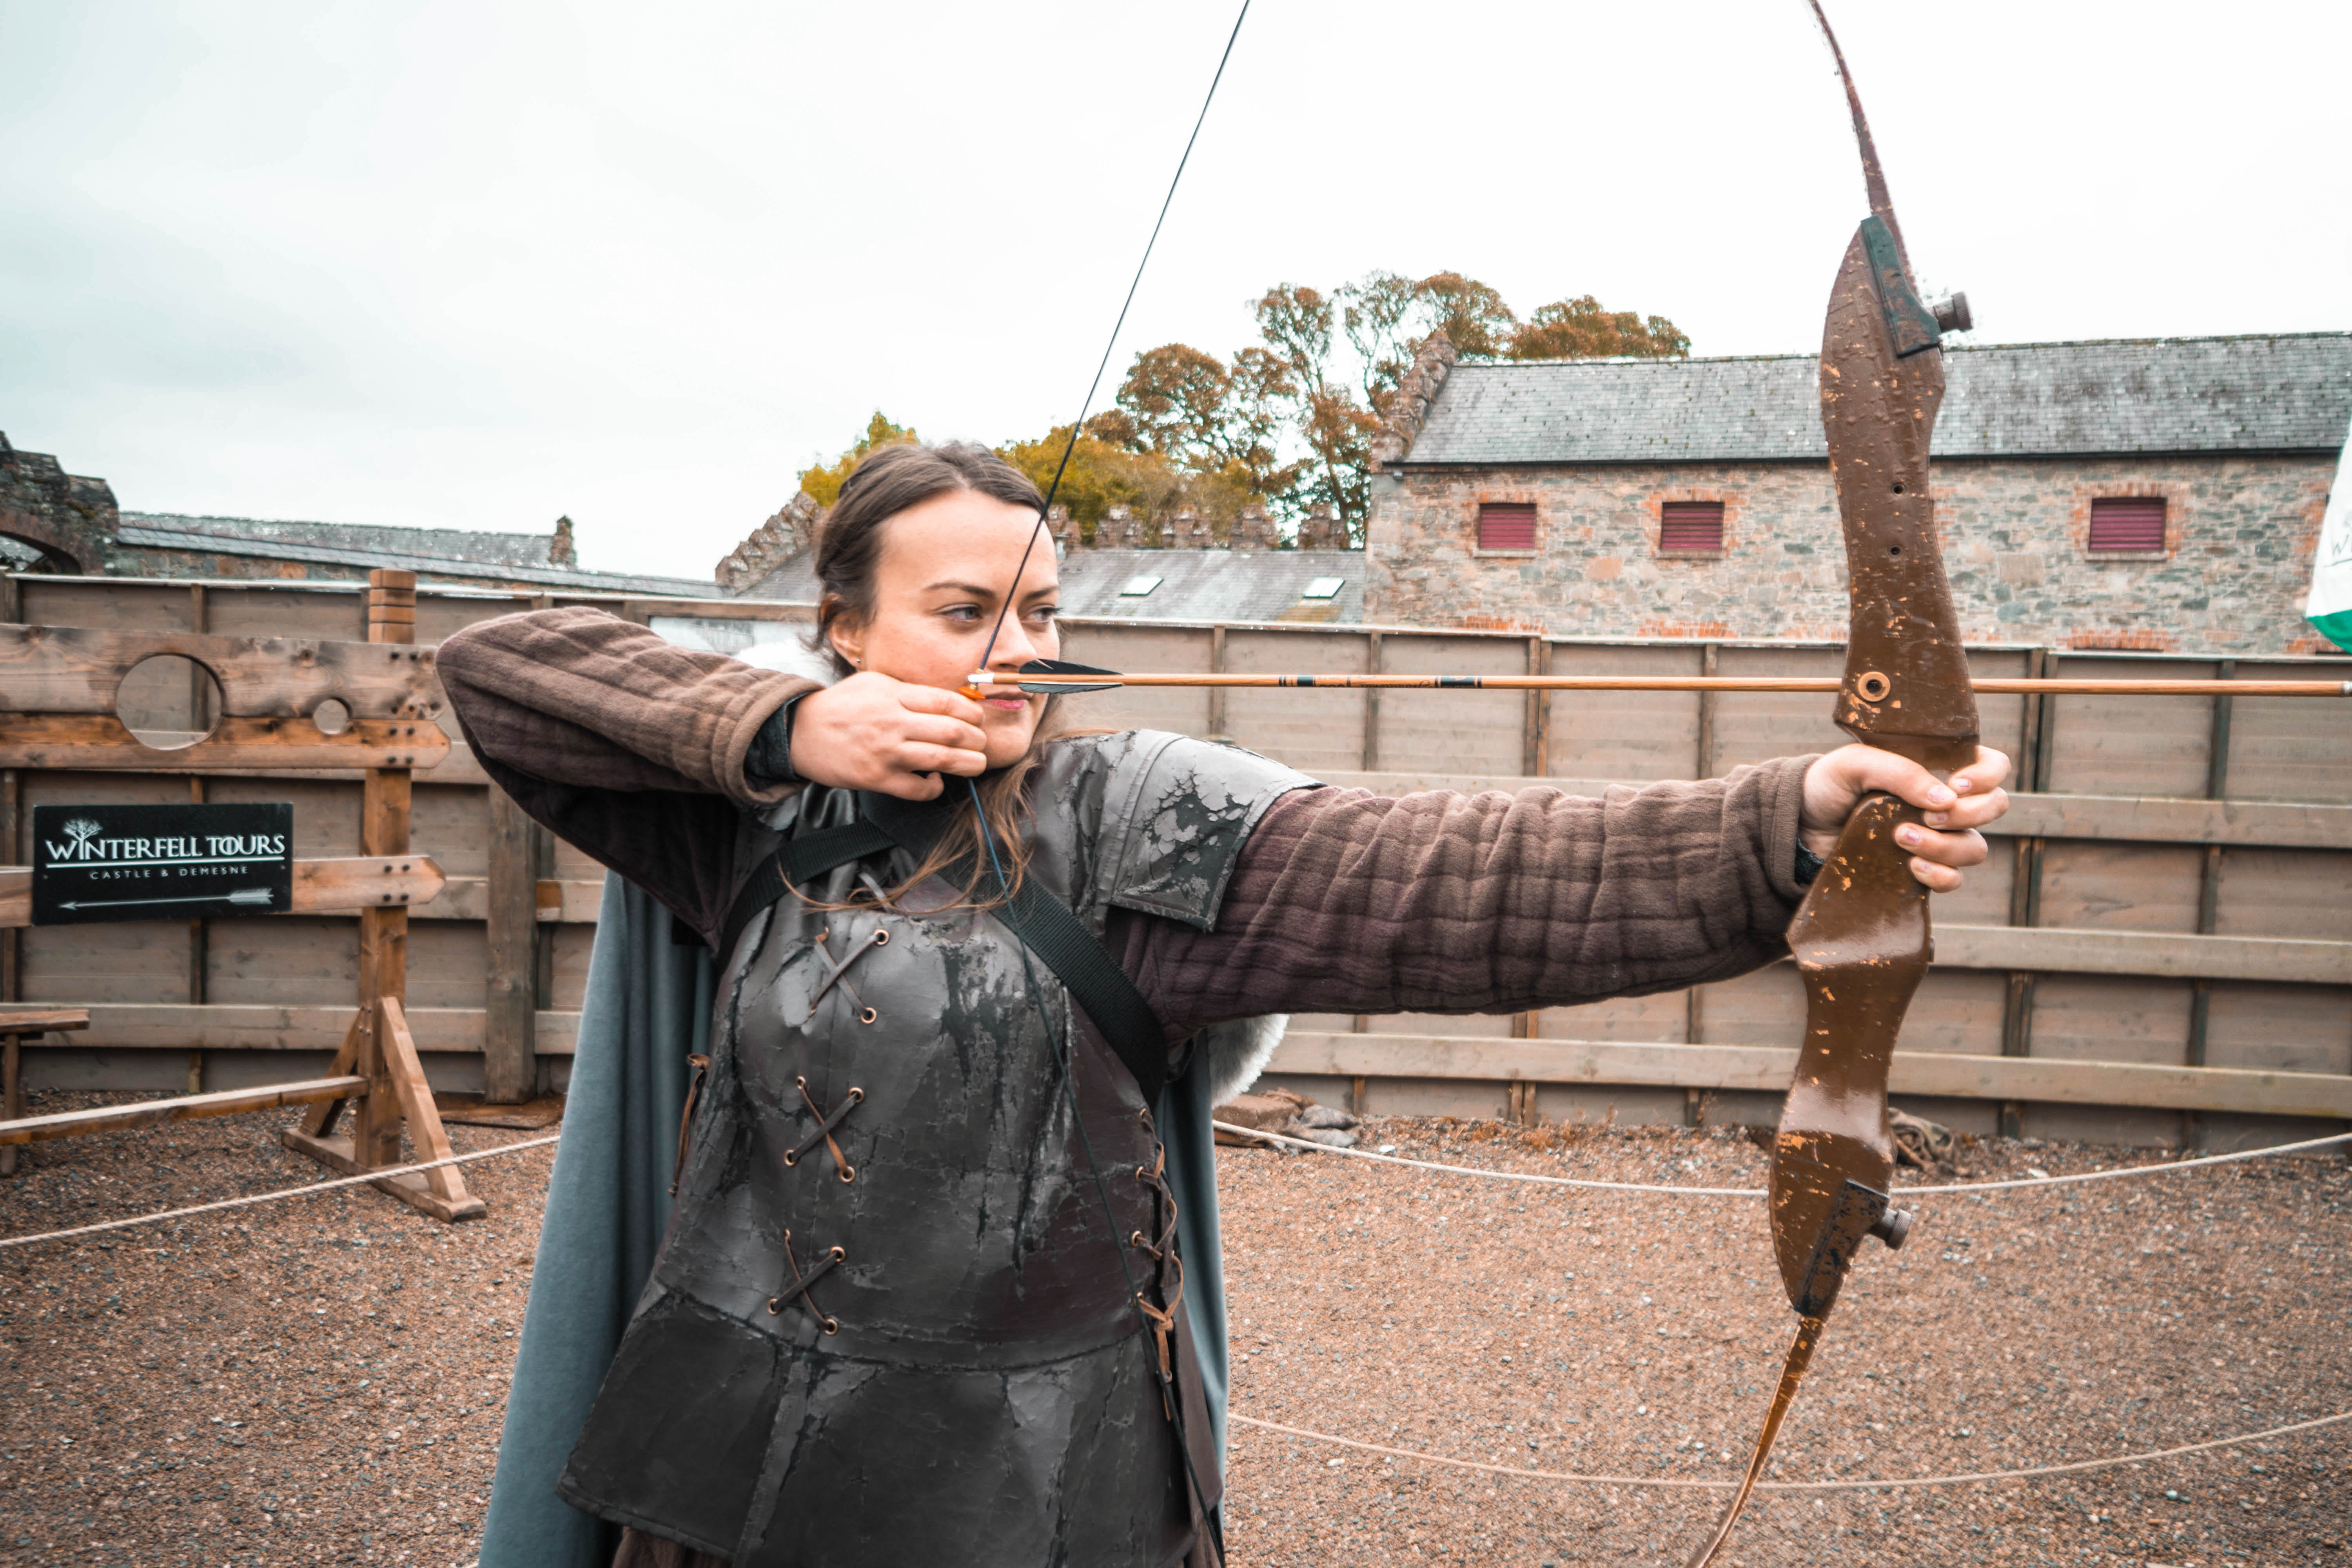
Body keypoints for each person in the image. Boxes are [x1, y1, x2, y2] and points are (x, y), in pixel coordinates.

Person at [439, 441, 2009, 1568]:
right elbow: (503, 667)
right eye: (967, 609)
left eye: (1043, 613)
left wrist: (1784, 827)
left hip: (1047, 1484)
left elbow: (1458, 879)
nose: (1021, 652)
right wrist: (782, 727)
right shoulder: (739, 817)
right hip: (730, 1466)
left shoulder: (1128, 815)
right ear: (846, 626)